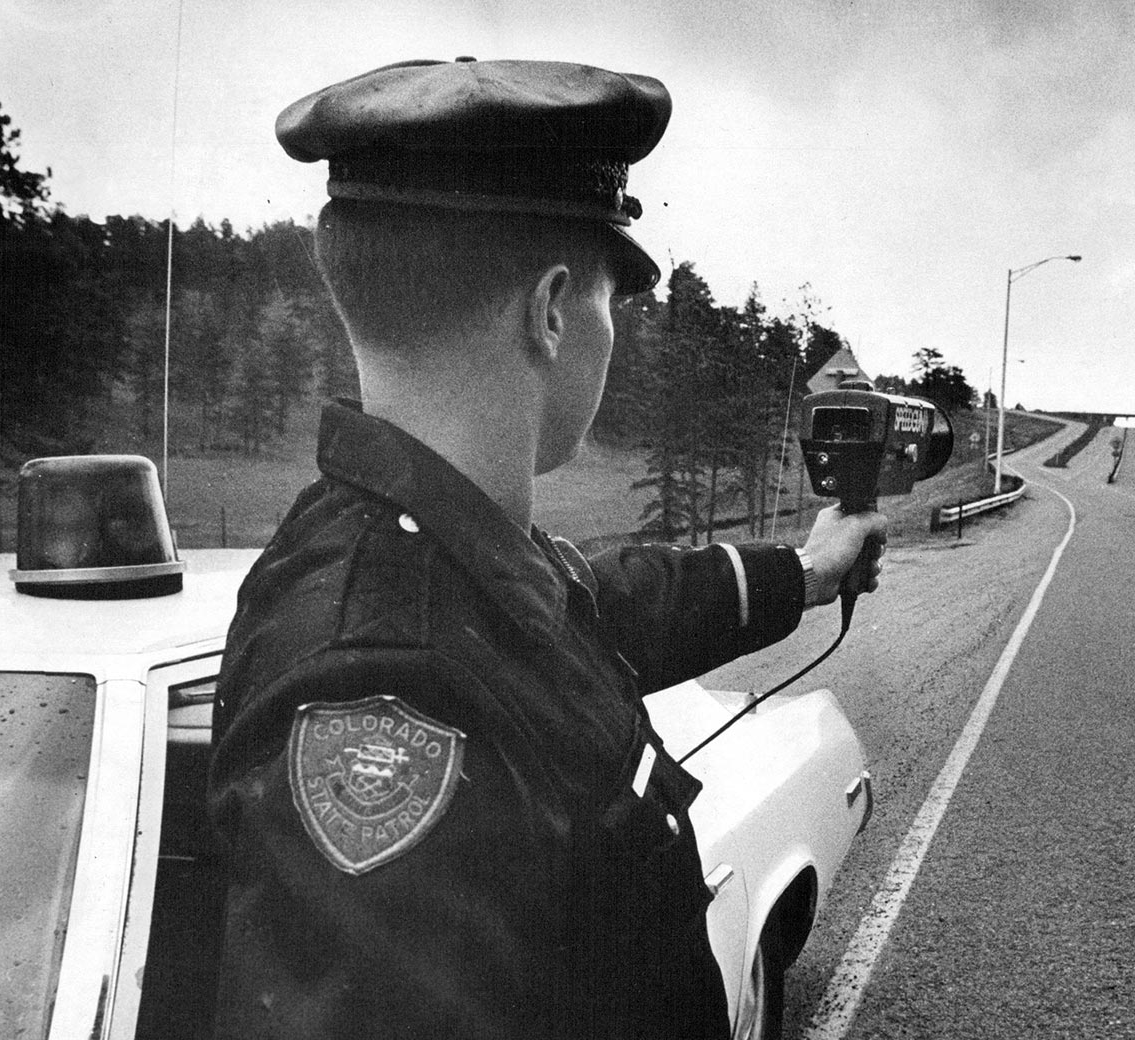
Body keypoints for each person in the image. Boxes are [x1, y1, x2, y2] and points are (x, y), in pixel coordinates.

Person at [207, 57, 887, 1040]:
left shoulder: (411, 555)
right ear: (554, 309)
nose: (613, 335)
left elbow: (597, 608)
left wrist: (808, 571)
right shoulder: (391, 684)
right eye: (615, 300)